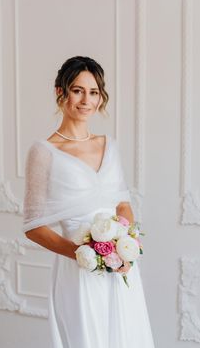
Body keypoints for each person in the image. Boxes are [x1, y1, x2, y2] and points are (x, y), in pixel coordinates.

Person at [23, 56, 155, 348]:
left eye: (93, 92)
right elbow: (33, 226)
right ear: (60, 91)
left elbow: (122, 204)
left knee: (126, 335)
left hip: (119, 265)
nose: (86, 100)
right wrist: (83, 253)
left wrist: (124, 249)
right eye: (77, 90)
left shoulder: (108, 144)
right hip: (78, 266)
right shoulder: (44, 152)